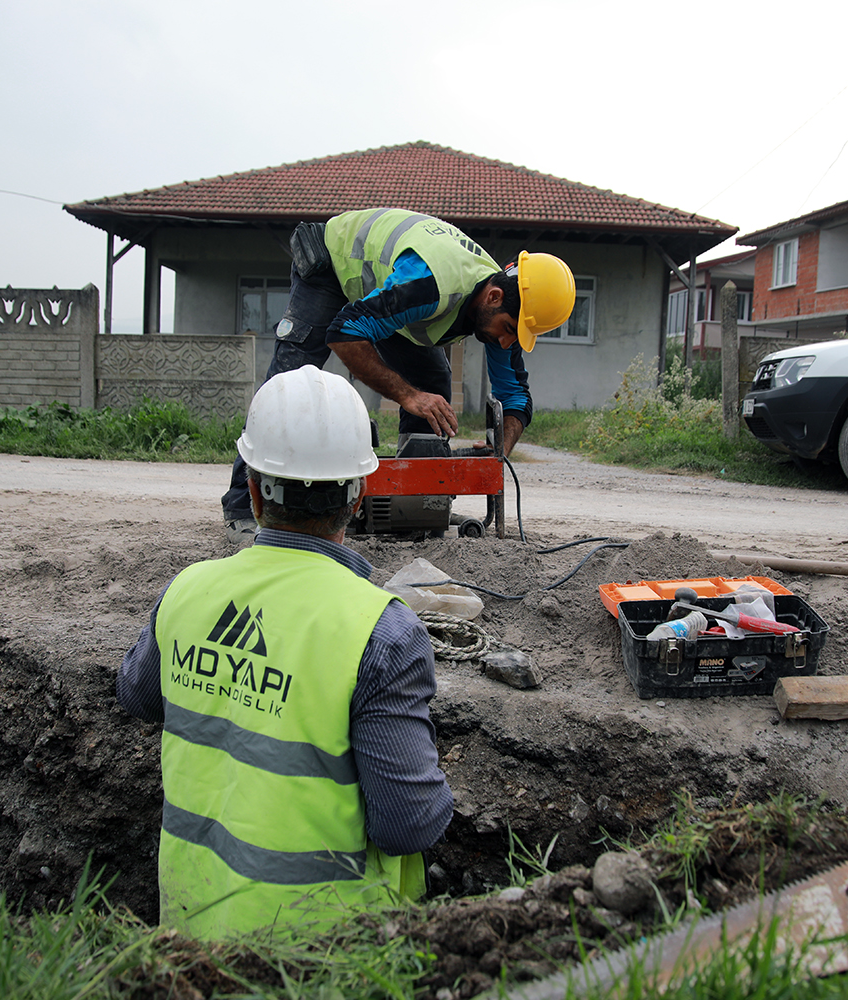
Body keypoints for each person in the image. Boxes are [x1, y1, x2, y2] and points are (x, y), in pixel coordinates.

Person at [117, 365, 453, 939]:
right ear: (358, 496)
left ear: (251, 487)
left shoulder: (187, 590)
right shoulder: (382, 632)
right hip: (321, 957)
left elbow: (139, 696)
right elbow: (407, 825)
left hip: (189, 939)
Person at [220, 208, 576, 543]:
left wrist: (501, 448)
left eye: (516, 336)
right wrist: (408, 396)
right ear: (494, 296)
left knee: (432, 383)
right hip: (331, 263)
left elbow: (514, 397)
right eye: (508, 328)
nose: (505, 341)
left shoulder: (502, 308)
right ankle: (241, 507)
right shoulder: (430, 285)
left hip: (386, 295)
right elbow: (345, 333)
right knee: (287, 384)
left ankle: (416, 505)